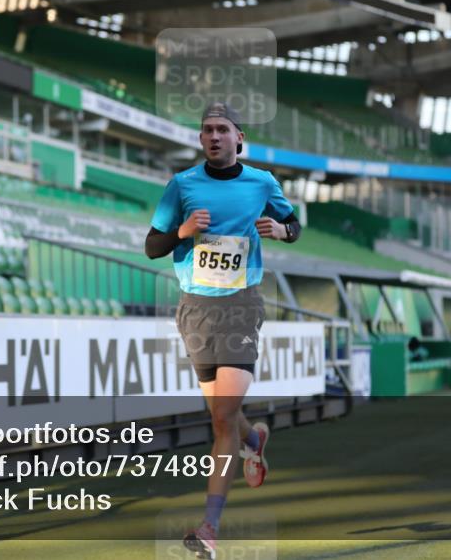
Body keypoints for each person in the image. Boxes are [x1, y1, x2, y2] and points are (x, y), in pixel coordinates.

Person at [145, 102, 302, 560]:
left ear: (239, 138)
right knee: (222, 415)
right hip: (194, 308)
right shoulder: (182, 186)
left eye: (222, 130)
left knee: (220, 417)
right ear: (201, 140)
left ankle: (209, 527)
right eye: (207, 130)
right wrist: (183, 231)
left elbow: (294, 223)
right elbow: (152, 245)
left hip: (240, 305)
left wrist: (282, 230)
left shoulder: (262, 182)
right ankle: (255, 440)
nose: (213, 136)